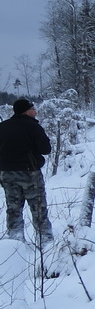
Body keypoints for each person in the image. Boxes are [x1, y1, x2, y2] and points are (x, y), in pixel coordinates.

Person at [0, 99, 54, 244]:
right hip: (30, 174)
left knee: (13, 209)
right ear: (26, 111)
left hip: (7, 174)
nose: (35, 111)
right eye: (33, 109)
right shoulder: (33, 127)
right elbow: (45, 149)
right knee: (38, 209)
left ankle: (15, 242)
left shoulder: (2, 127)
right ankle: (46, 242)